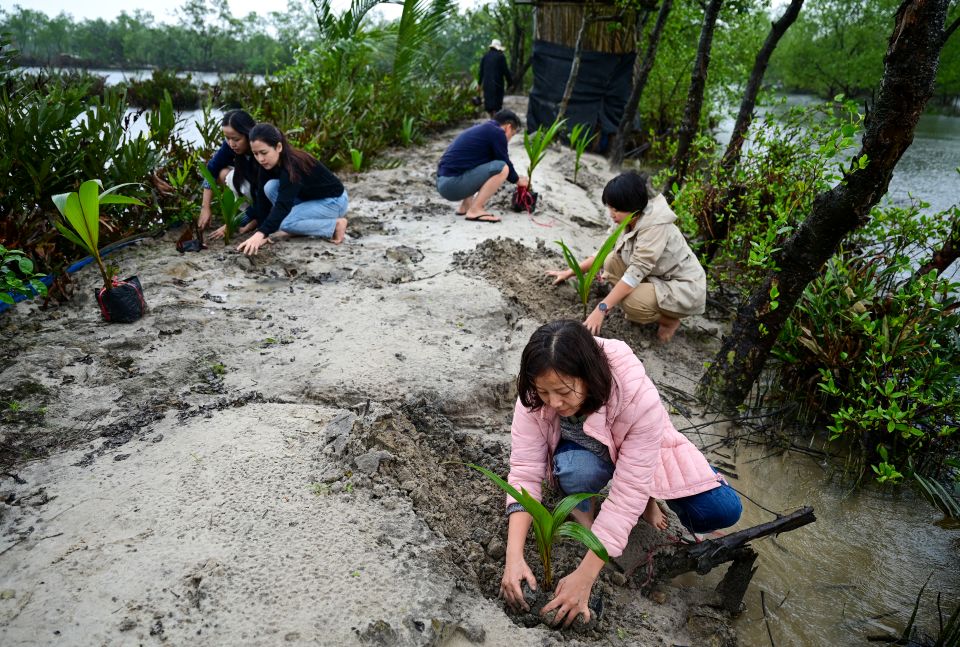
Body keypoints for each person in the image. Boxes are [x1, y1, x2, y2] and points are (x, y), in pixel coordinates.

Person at [500, 320, 741, 626]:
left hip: (641, 451)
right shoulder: (536, 392)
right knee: (576, 474)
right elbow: (525, 470)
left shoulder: (635, 395)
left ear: (588, 375)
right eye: (544, 393)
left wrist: (584, 578)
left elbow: (627, 495)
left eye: (563, 392)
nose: (554, 402)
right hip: (585, 451)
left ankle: (652, 497)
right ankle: (585, 504)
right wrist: (513, 556)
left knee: (721, 510)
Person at [547, 171, 706, 343]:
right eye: (609, 207)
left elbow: (634, 274)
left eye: (616, 209)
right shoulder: (626, 219)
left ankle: (670, 321)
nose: (611, 214)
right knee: (610, 261)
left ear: (633, 208)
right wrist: (569, 272)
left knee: (632, 304)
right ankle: (639, 301)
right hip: (656, 277)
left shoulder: (655, 227)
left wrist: (601, 309)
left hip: (682, 287)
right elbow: (602, 253)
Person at [235, 123, 349, 256]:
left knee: (286, 222)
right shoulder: (267, 164)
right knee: (269, 187)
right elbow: (262, 201)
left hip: (333, 202)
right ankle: (297, 224)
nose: (260, 159)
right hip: (309, 199)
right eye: (255, 154)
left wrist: (261, 233)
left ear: (278, 147)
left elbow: (283, 205)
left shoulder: (292, 166)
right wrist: (262, 232)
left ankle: (335, 224)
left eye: (264, 152)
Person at [436, 109, 529, 223]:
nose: (509, 140)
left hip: (444, 183)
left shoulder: (482, 129)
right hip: (452, 185)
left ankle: (466, 206)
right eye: (512, 135)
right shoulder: (497, 132)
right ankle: (475, 210)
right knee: (503, 168)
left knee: (481, 163)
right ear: (508, 127)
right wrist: (518, 180)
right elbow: (504, 160)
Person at [198, 109, 259, 239]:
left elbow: (264, 199)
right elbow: (211, 170)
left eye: (236, 139)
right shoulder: (230, 145)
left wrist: (232, 224)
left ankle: (254, 218)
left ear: (249, 134)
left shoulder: (262, 152)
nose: (231, 144)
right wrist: (205, 207)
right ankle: (247, 214)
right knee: (224, 174)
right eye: (227, 138)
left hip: (268, 195)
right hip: (254, 190)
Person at [478, 38, 511, 118]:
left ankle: (491, 118)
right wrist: (510, 82)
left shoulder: (485, 57)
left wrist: (479, 84)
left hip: (487, 84)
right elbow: (506, 71)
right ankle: (495, 119)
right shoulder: (501, 57)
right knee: (497, 105)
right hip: (498, 84)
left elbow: (481, 72)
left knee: (489, 104)